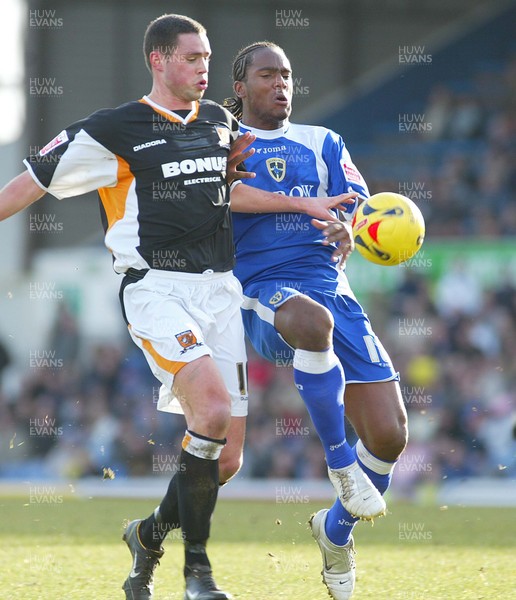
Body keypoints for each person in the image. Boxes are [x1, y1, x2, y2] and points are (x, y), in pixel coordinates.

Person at [0, 15, 354, 600]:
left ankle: (147, 536)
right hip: (156, 288)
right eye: (192, 59)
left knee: (227, 458)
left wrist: (309, 203)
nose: (203, 69)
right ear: (158, 61)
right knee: (210, 414)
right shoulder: (112, 129)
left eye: (208, 58)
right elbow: (31, 182)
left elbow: (228, 191)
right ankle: (199, 576)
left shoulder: (220, 121)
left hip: (219, 290)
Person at [224, 42, 408, 600]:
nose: (281, 84)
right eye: (267, 75)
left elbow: (355, 199)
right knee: (310, 322)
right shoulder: (220, 140)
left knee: (391, 435)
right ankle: (339, 466)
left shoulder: (324, 141)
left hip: (331, 286)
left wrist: (351, 223)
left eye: (287, 75)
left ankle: (334, 532)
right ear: (240, 87)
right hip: (260, 289)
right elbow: (223, 197)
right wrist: (303, 207)